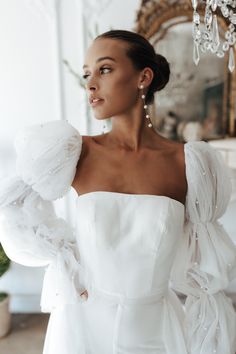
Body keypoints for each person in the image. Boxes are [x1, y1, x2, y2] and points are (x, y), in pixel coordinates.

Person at [0, 29, 236, 354]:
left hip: (156, 330)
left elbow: (206, 272)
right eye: (87, 74)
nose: (91, 83)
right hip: (81, 326)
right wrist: (63, 255)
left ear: (144, 77)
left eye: (105, 69)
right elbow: (12, 205)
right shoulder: (74, 152)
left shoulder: (189, 164)